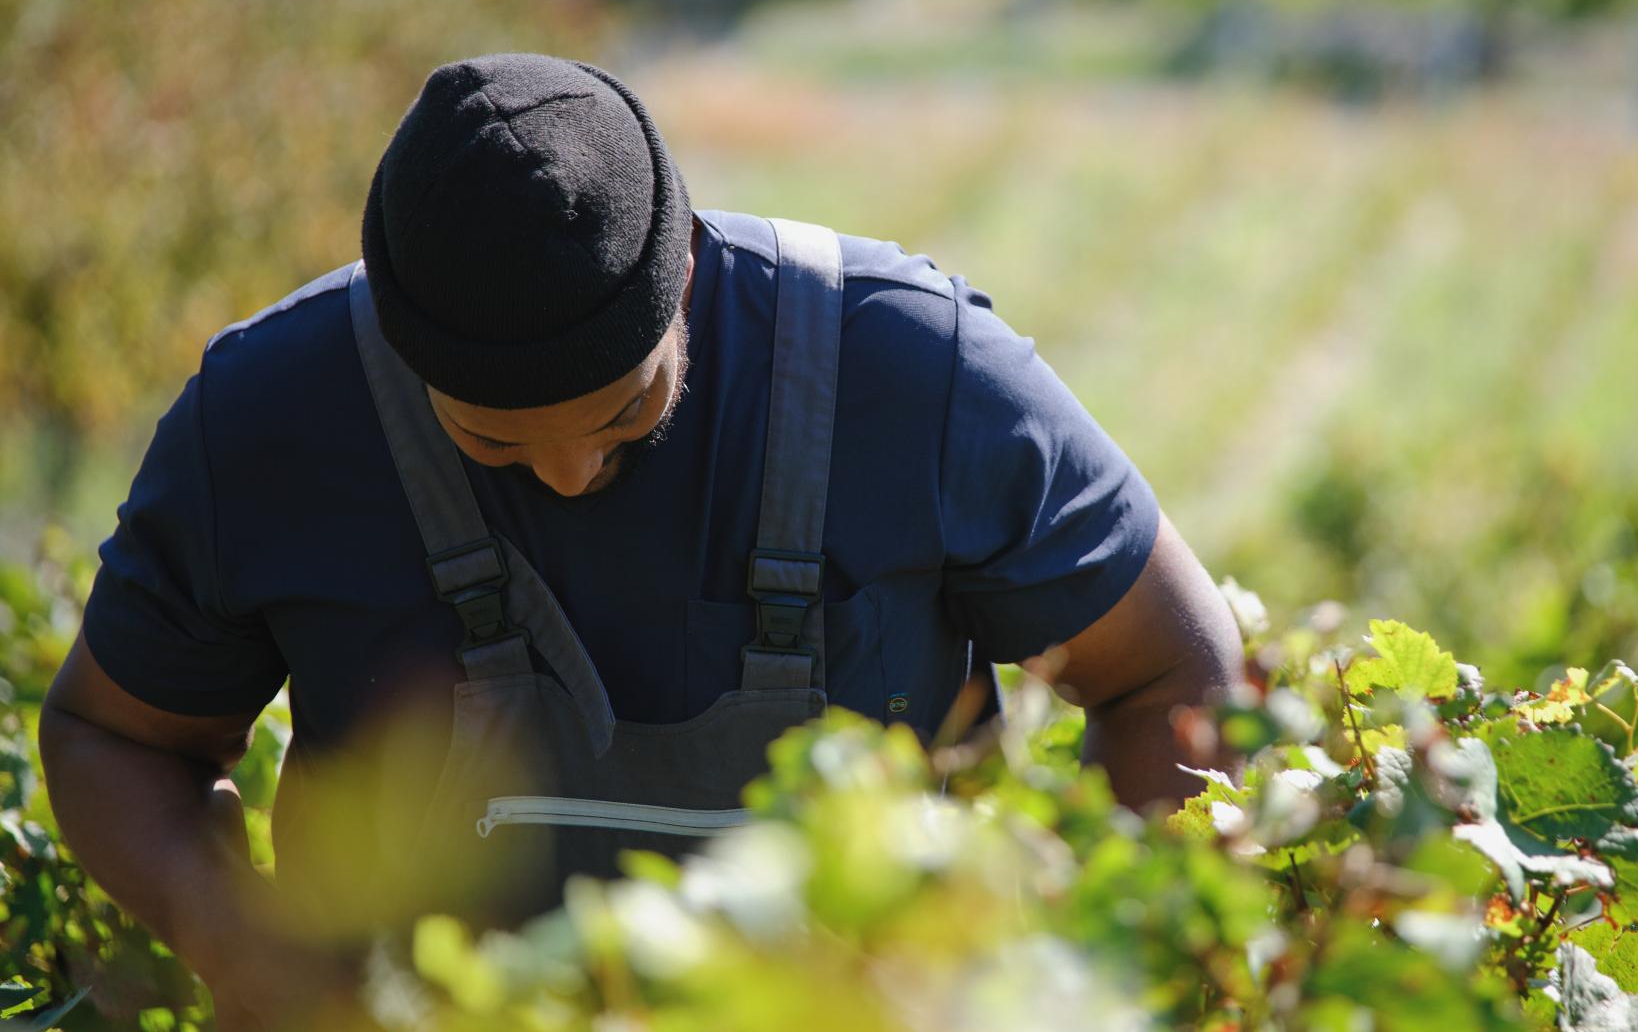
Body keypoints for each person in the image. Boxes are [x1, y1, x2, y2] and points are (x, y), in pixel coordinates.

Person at [38, 52, 1244, 1029]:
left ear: (685, 270)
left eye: (628, 412)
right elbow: (112, 734)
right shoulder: (271, 415)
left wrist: (1094, 982)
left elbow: (1171, 672)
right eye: (494, 442)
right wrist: (244, 949)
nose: (569, 474)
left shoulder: (911, 374)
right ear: (401, 357)